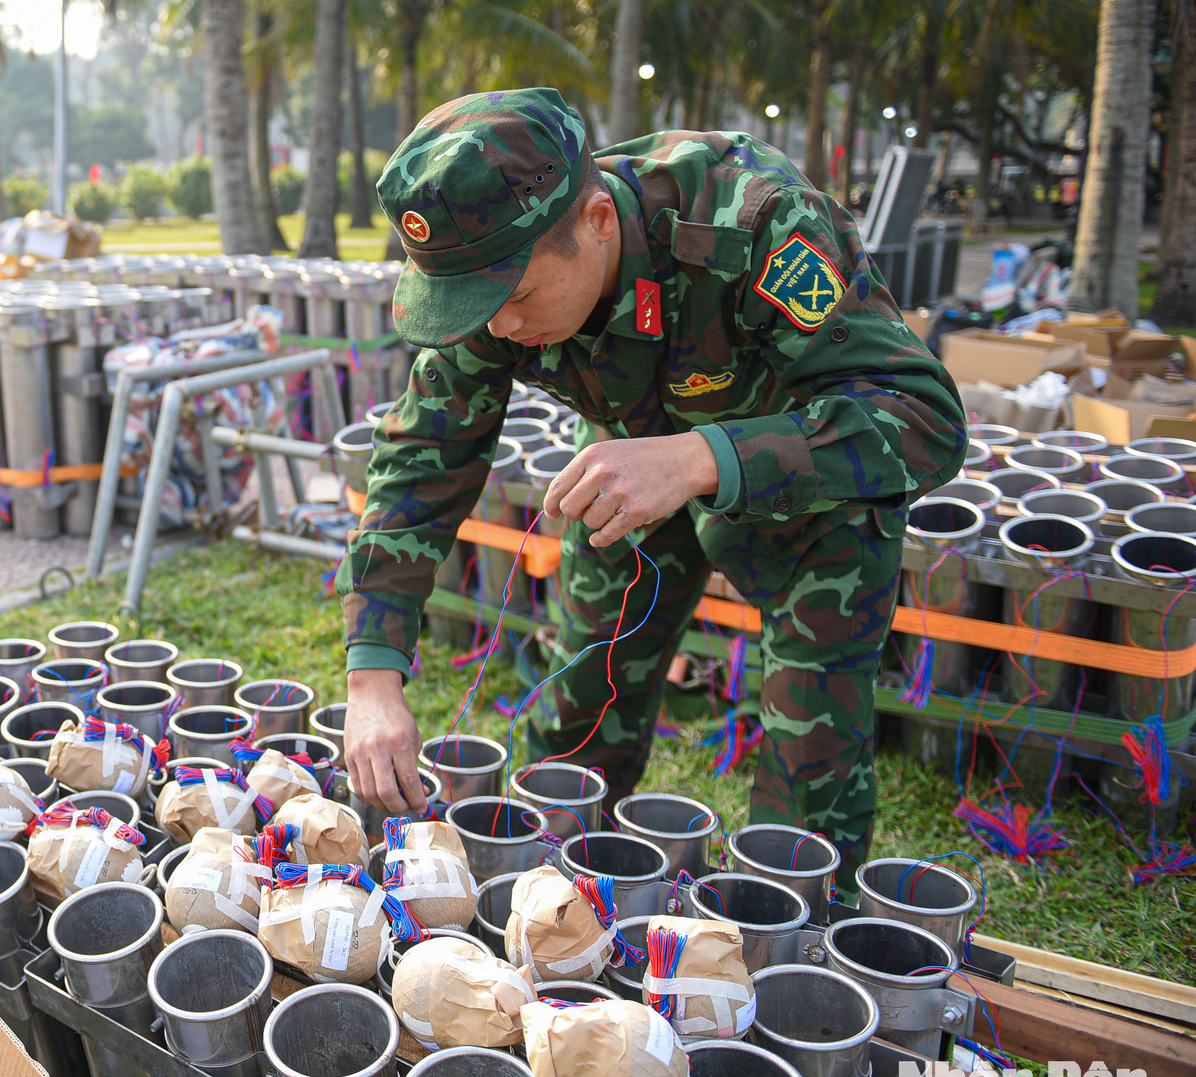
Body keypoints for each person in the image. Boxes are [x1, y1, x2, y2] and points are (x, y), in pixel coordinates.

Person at [337, 88, 966, 892]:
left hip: (814, 484)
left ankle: (792, 945)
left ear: (597, 222)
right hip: (628, 468)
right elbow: (422, 457)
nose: (496, 330)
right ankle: (549, 903)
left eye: (515, 301)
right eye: (475, 307)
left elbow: (925, 418)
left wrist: (700, 457)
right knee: (583, 707)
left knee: (812, 769)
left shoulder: (757, 224)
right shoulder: (491, 266)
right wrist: (372, 678)